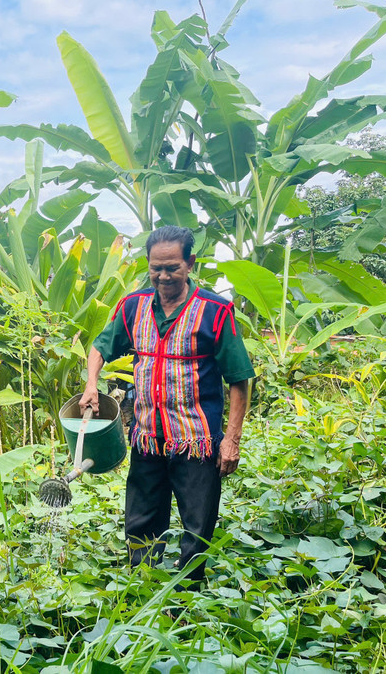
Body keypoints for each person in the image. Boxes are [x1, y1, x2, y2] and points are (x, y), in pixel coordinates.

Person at [79, 226, 254, 583]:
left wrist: (231, 439)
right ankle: (143, 585)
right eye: (156, 267)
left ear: (190, 263)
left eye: (172, 267)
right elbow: (100, 347)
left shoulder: (215, 311)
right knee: (140, 519)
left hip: (196, 439)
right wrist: (91, 384)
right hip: (146, 435)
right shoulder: (133, 307)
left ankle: (188, 592)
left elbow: (239, 379)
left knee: (197, 522)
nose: (163, 276)